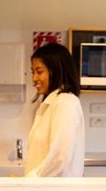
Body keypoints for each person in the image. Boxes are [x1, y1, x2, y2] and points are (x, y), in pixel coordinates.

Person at [23, 42, 85, 177]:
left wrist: (30, 180)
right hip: (44, 187)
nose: (34, 78)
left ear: (56, 70)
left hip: (54, 189)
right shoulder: (54, 103)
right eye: (33, 72)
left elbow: (60, 157)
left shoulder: (64, 103)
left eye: (39, 71)